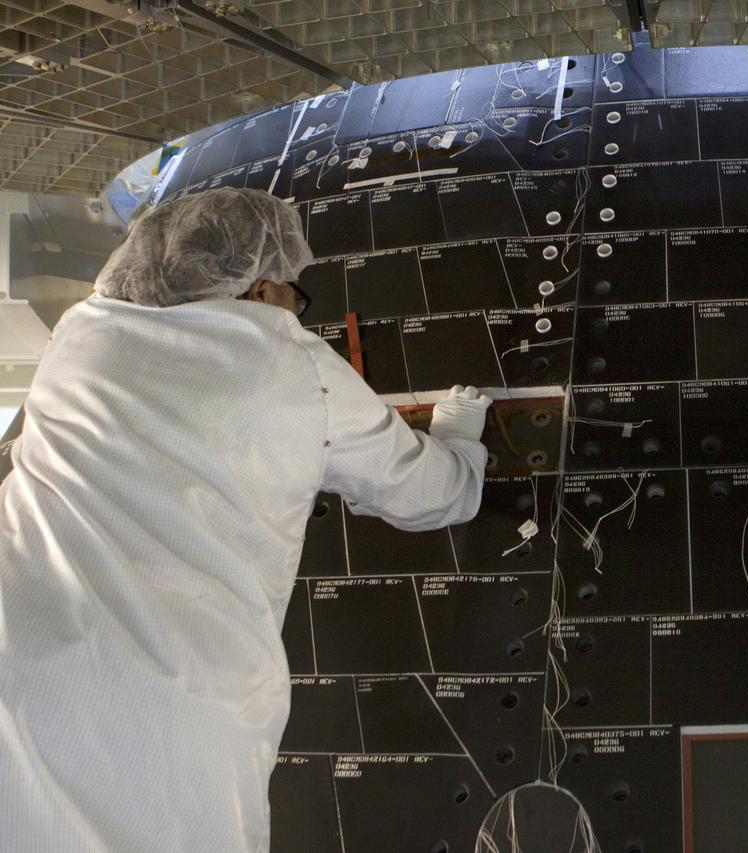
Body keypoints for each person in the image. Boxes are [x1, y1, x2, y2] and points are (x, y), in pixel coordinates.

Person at [0, 187, 491, 851]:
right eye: (295, 294)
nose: (295, 309)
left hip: (17, 656)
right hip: (171, 703)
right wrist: (459, 443)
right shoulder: (292, 361)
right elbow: (424, 492)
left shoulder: (78, 337)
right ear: (260, 288)